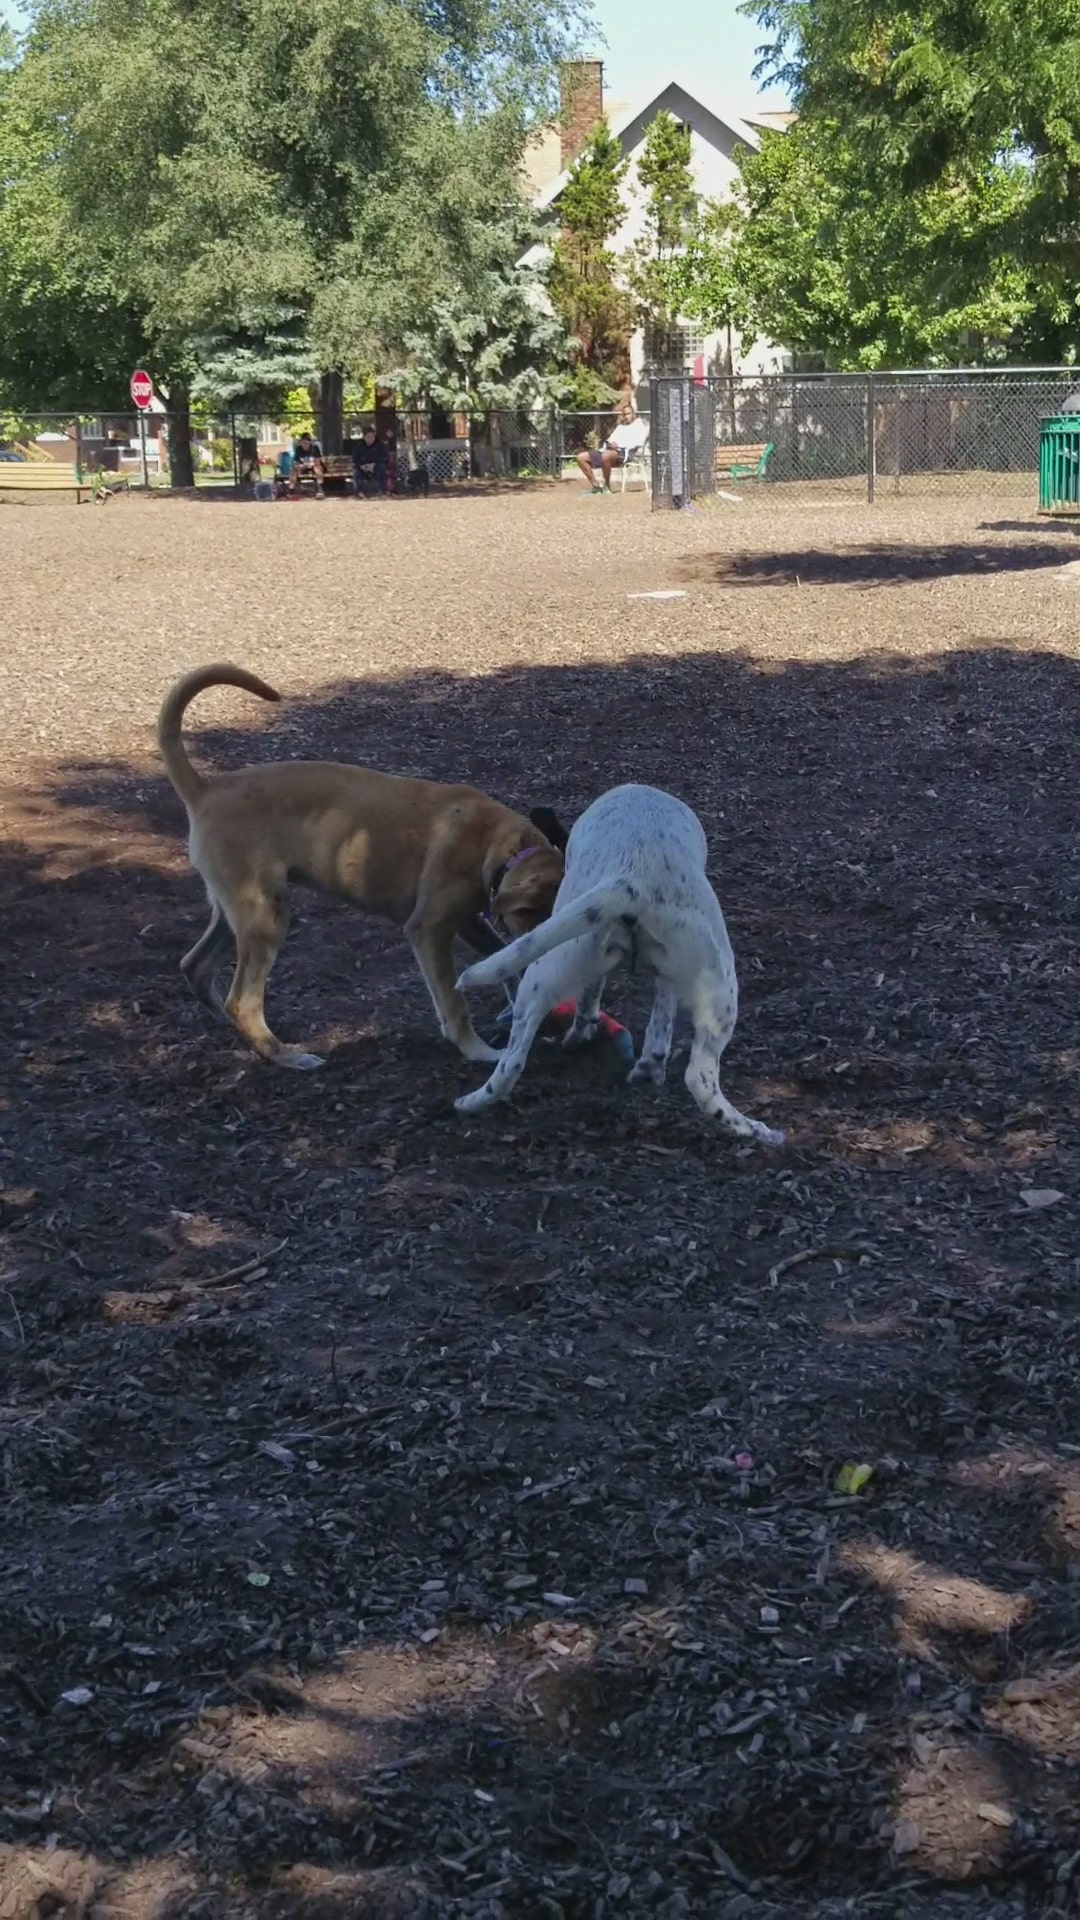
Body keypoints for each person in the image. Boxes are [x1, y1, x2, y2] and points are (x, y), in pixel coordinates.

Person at [576, 404, 648, 494]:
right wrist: (610, 444)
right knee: (581, 457)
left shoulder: (639, 426)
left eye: (628, 414)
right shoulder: (620, 428)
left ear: (634, 414)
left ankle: (607, 486)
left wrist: (618, 446)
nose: (626, 417)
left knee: (606, 456)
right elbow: (609, 440)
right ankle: (596, 486)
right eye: (624, 414)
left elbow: (639, 442)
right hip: (609, 451)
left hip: (625, 453)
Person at [352, 424, 388, 498]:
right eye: (368, 437)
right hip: (363, 468)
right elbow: (355, 458)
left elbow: (385, 458)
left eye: (372, 436)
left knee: (381, 468)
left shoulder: (380, 445)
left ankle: (382, 491)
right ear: (364, 437)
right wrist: (361, 466)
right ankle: (359, 492)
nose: (370, 438)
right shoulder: (359, 446)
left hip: (375, 467)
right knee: (356, 472)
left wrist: (374, 464)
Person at [290, 431, 325, 497]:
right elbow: (295, 462)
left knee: (317, 468)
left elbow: (318, 461)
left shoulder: (315, 448)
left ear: (310, 442)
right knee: (293, 470)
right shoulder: (298, 449)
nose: (305, 445)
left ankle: (319, 489)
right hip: (303, 467)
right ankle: (291, 489)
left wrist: (311, 464)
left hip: (313, 466)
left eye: (306, 443)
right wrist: (300, 466)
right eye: (303, 443)